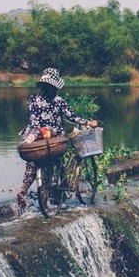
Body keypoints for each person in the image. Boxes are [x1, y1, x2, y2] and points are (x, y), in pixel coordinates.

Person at [17, 68, 97, 211]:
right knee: (51, 165)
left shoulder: (33, 100)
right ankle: (46, 202)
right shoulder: (58, 101)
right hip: (53, 140)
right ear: (53, 87)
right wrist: (87, 122)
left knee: (32, 166)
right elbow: (72, 117)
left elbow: (31, 120)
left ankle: (23, 189)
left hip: (34, 140)